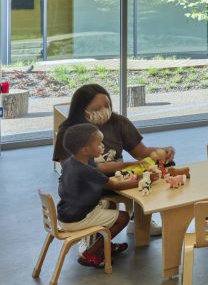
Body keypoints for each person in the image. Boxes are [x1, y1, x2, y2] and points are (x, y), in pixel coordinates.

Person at [53, 84, 176, 236]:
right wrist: (128, 165)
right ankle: (89, 233)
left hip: (118, 176)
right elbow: (74, 170)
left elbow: (142, 152)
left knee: (159, 167)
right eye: (97, 109)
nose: (104, 111)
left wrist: (163, 151)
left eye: (107, 105)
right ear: (82, 109)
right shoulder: (70, 130)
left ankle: (140, 220)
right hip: (86, 184)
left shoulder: (118, 122)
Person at [57, 123, 139, 268]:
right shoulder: (86, 170)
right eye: (99, 143)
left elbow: (104, 168)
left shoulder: (71, 163)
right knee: (123, 217)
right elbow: (115, 186)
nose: (102, 146)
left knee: (110, 203)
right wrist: (143, 181)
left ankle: (105, 246)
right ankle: (90, 253)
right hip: (77, 218)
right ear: (85, 149)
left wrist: (130, 164)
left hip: (65, 213)